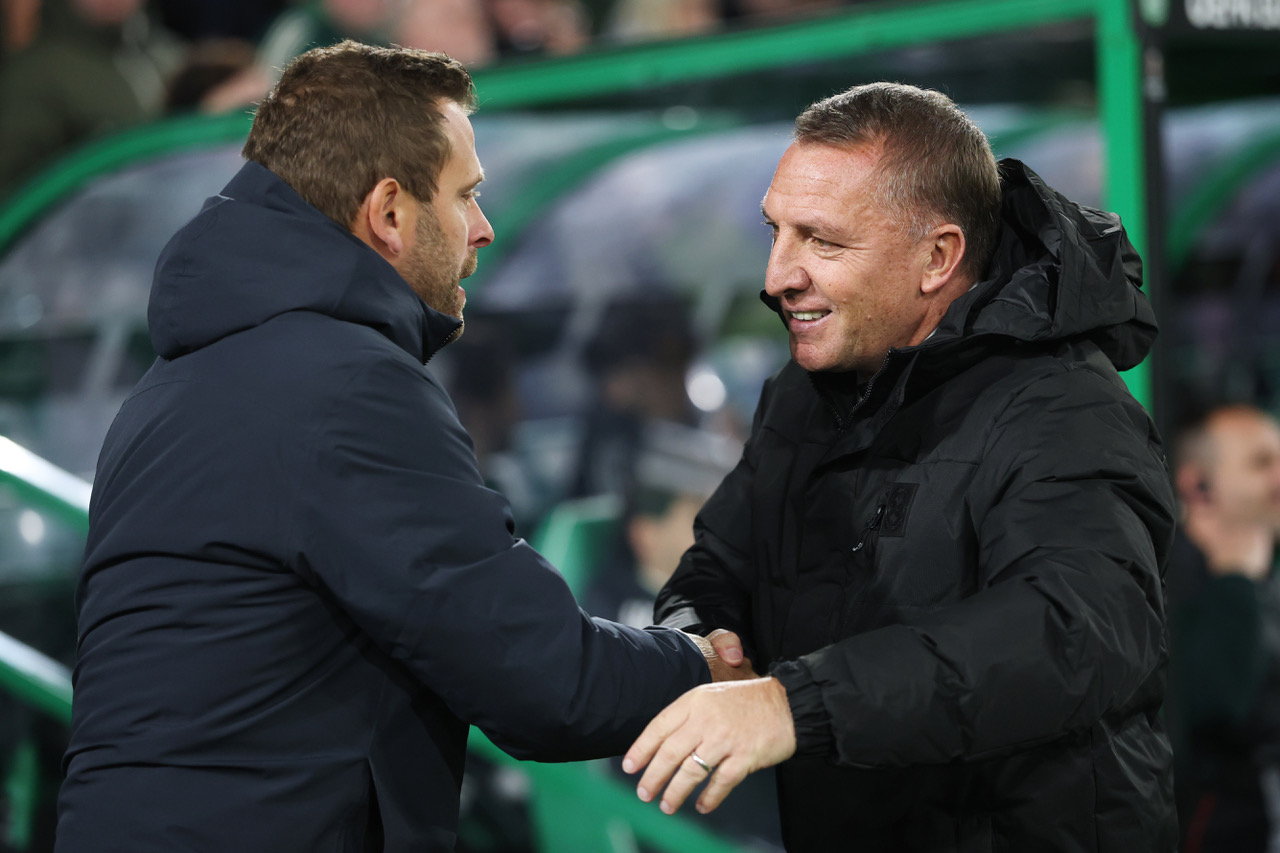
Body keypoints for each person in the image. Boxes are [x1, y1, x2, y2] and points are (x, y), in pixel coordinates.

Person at [55, 41, 746, 852]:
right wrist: (708, 667)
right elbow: (542, 675)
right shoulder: (347, 387)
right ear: (389, 212)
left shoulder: (165, 391)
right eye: (466, 195)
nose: (483, 229)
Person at [623, 82, 1179, 852]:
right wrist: (702, 637)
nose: (778, 275)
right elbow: (721, 559)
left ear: (938, 257)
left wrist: (794, 703)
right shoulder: (803, 393)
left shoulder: (1062, 407)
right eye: (776, 231)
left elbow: (1074, 632)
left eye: (821, 241)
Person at [1167, 404, 1280, 853]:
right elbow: (1211, 702)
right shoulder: (1173, 576)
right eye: (1260, 463)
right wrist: (1234, 578)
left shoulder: (1263, 564)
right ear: (1198, 485)